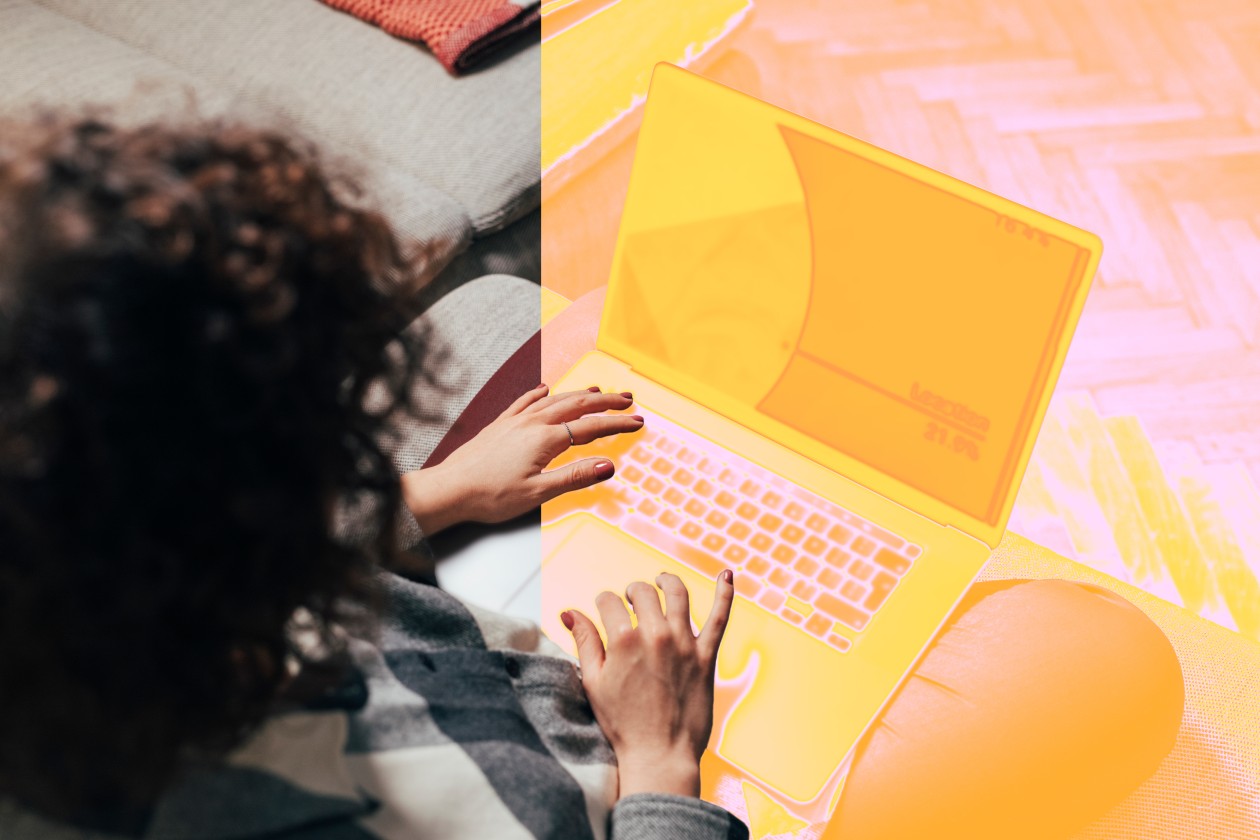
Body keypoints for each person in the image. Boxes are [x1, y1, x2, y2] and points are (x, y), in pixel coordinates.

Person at [0, 115, 1185, 840]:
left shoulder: (77, 604)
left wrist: (439, 495)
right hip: (630, 775)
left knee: (602, 345)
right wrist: (666, 762)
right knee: (1112, 663)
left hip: (466, 654)